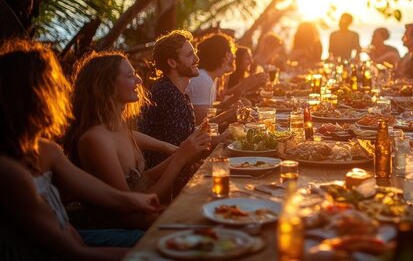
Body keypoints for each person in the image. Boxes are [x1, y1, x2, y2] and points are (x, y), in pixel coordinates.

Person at [0, 39, 160, 260]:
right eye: (52, 85)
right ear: (28, 97)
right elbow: (73, 251)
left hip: (75, 238)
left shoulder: (46, 150)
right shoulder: (10, 172)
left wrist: (134, 200)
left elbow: (98, 190)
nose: (61, 91)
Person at [64, 52, 211, 212]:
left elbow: (143, 180)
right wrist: (180, 158)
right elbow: (131, 209)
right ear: (106, 86)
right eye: (130, 76)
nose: (139, 80)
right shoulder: (95, 139)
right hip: (118, 230)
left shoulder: (118, 127)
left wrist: (182, 153)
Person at [138, 30, 201, 169]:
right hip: (169, 179)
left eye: (194, 52)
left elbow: (185, 139)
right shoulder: (167, 94)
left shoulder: (174, 90)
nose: (197, 59)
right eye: (190, 55)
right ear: (172, 62)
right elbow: (178, 151)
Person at [186, 33, 267, 125]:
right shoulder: (202, 79)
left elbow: (210, 110)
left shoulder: (210, 77)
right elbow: (201, 124)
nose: (235, 56)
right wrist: (230, 113)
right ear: (227, 55)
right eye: (232, 51)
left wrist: (234, 99)